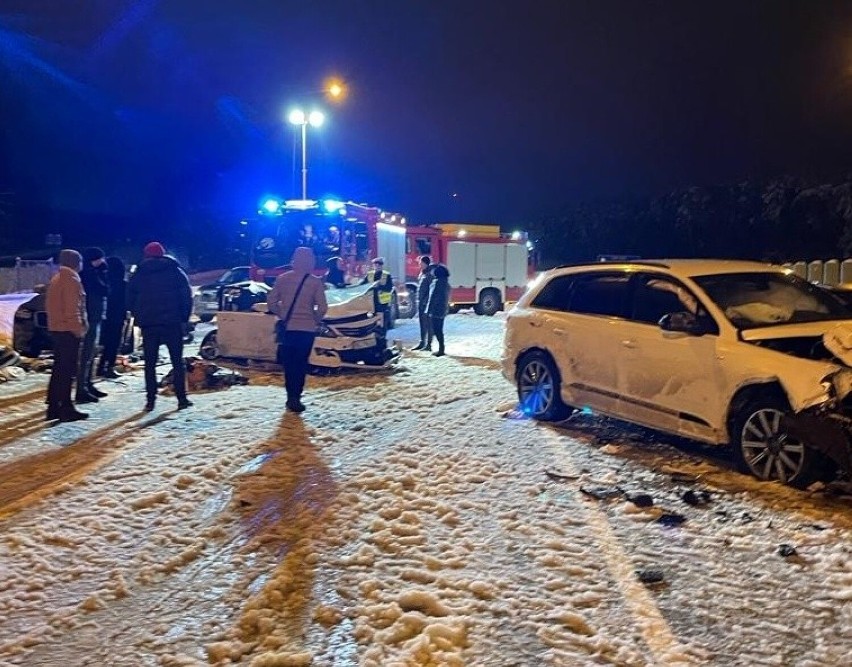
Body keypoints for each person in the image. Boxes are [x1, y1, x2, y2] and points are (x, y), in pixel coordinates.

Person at [127, 241, 194, 412]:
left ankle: (150, 400)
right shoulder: (175, 271)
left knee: (150, 363)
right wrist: (184, 318)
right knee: (177, 362)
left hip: (149, 324)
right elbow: (186, 296)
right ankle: (182, 398)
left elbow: (130, 299)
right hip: (172, 323)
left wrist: (139, 315)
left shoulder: (140, 273)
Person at [267, 246, 328, 413]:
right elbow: (322, 307)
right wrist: (314, 319)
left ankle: (290, 397)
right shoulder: (315, 282)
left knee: (289, 364)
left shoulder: (282, 278)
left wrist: (283, 314)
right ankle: (297, 398)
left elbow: (271, 302)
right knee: (301, 364)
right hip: (306, 330)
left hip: (288, 329)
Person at [45, 249, 89, 422]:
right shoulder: (71, 280)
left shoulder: (57, 278)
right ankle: (66, 408)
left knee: (58, 369)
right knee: (67, 370)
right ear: (76, 262)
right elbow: (73, 310)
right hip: (67, 331)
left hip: (57, 328)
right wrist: (78, 330)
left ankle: (54, 407)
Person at [76, 247, 109, 403]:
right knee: (86, 354)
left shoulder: (90, 273)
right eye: (100, 259)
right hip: (90, 317)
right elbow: (104, 290)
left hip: (94, 316)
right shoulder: (89, 274)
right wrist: (102, 273)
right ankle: (82, 388)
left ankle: (88, 384)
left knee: (91, 354)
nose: (103, 261)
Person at [97, 256, 127, 379]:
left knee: (105, 343)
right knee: (114, 343)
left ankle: (101, 366)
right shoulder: (122, 284)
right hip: (117, 316)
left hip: (103, 316)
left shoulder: (102, 281)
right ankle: (108, 367)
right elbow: (127, 301)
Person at [360, 257, 393, 329]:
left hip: (383, 304)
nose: (377, 266)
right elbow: (362, 285)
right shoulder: (369, 274)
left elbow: (389, 288)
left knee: (382, 322)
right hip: (371, 302)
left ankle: (382, 335)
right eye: (376, 264)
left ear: (382, 265)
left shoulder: (386, 275)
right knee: (372, 320)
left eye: (379, 264)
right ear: (373, 265)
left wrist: (379, 286)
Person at [426, 263, 451, 357]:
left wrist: (429, 310)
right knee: (439, 329)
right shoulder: (445, 282)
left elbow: (433, 297)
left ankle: (441, 349)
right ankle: (441, 348)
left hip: (436, 309)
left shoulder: (437, 282)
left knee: (437, 330)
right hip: (442, 308)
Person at [412, 255, 434, 351]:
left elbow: (431, 290)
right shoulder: (422, 273)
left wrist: (426, 302)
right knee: (422, 323)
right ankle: (422, 342)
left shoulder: (430, 274)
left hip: (427, 304)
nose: (419, 264)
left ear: (425, 263)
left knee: (428, 324)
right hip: (421, 303)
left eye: (421, 262)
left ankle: (429, 345)